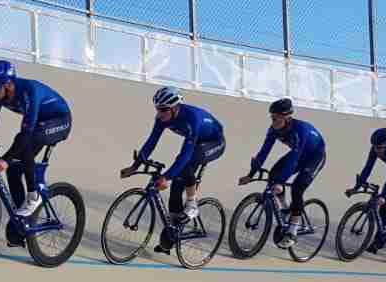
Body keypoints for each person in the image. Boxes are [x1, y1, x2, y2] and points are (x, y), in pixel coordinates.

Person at [0, 59, 72, 247]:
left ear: (7, 84)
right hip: (39, 125)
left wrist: (5, 159)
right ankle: (23, 222)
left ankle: (34, 196)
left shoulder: (30, 91)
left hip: (59, 121)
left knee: (24, 142)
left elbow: (26, 135)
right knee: (13, 170)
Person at [129, 86, 226, 255]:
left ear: (175, 108)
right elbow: (152, 141)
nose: (159, 114)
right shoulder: (162, 118)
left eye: (163, 110)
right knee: (175, 186)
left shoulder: (191, 119)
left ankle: (192, 204)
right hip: (196, 142)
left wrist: (166, 177)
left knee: (185, 165)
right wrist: (135, 166)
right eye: (157, 109)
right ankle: (173, 234)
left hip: (214, 142)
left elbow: (186, 154)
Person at [244, 97, 326, 247]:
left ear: (287, 118)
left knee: (297, 187)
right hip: (300, 154)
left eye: (275, 118)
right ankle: (286, 208)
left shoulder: (299, 130)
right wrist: (250, 174)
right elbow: (264, 152)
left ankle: (293, 229)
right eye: (271, 117)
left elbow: (294, 159)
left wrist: (281, 182)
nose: (272, 121)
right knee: (273, 174)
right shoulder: (273, 129)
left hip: (315, 156)